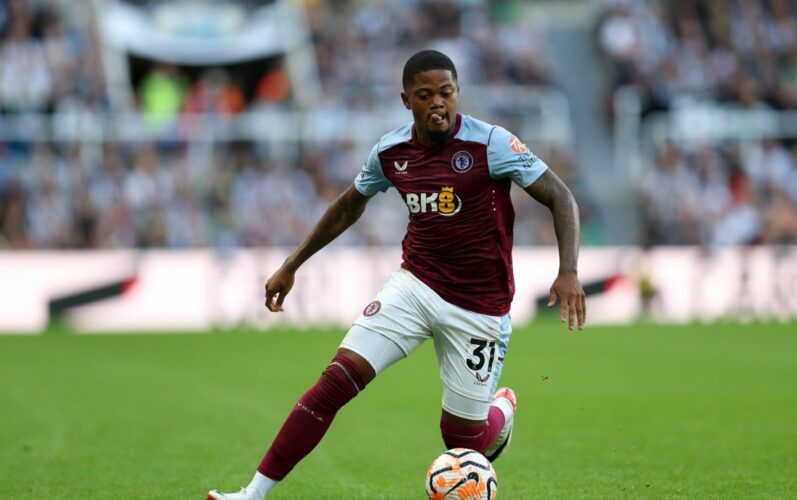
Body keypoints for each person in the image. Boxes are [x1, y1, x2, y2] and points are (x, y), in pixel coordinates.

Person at [208, 50, 586, 499]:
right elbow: (350, 205)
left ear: (458, 92)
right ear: (406, 99)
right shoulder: (391, 152)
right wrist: (292, 265)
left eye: (446, 93)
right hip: (415, 286)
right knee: (334, 383)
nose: (438, 104)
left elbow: (561, 196)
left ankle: (499, 412)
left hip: (480, 306)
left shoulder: (492, 144)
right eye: (425, 96)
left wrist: (568, 270)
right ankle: (251, 494)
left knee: (463, 443)